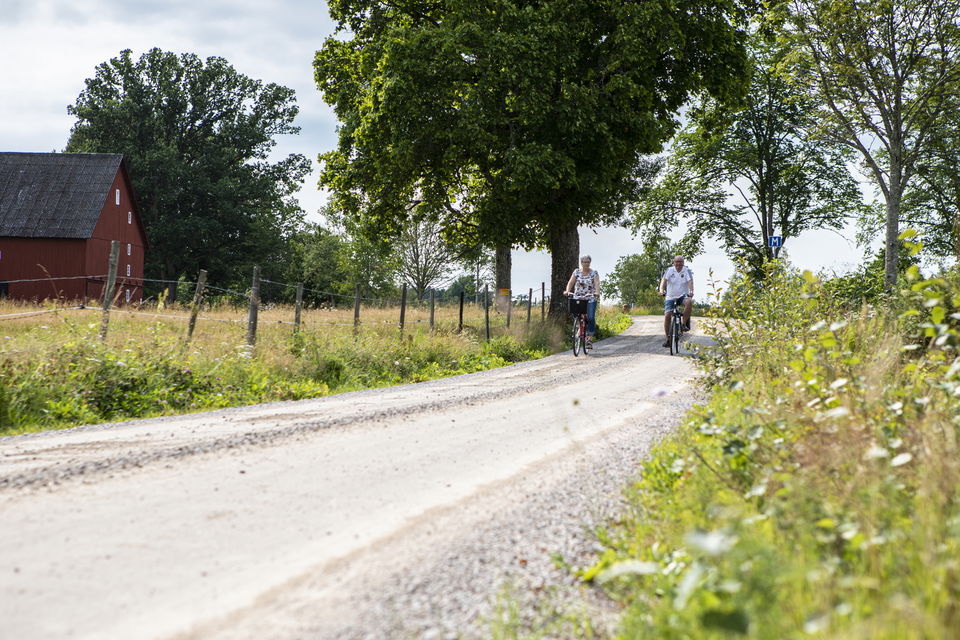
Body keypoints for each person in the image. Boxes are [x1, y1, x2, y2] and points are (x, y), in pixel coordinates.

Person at [564, 255, 601, 348]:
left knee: (591, 318)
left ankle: (589, 339)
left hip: (590, 298)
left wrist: (597, 292)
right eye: (584, 262)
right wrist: (568, 291)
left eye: (588, 262)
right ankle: (579, 328)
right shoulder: (576, 272)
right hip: (578, 297)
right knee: (576, 314)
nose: (586, 264)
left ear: (590, 263)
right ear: (581, 263)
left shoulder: (594, 273)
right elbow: (571, 282)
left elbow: (597, 283)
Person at [658, 255, 693, 348]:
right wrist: (661, 290)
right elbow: (663, 282)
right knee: (667, 315)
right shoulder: (669, 270)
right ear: (673, 262)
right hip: (670, 297)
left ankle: (683, 324)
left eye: (680, 262)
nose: (678, 264)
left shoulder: (686, 270)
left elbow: (690, 282)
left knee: (689, 302)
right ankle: (668, 340)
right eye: (677, 262)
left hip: (682, 296)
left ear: (683, 263)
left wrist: (691, 292)